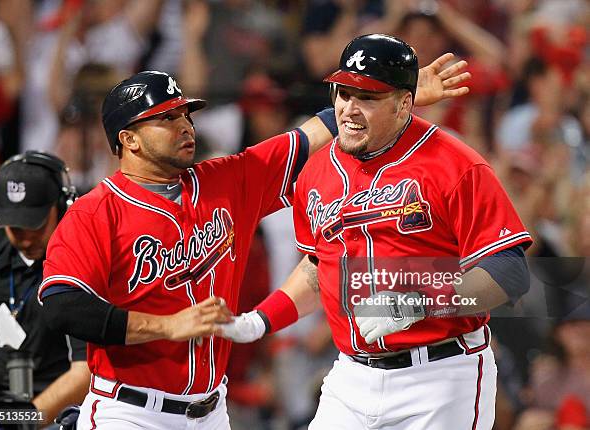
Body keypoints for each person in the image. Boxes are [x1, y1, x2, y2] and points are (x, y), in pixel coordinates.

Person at [38, 60, 471, 430]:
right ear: (128, 139)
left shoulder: (225, 181)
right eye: (166, 119)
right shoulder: (95, 213)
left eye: (185, 115)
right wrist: (166, 326)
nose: (185, 126)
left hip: (212, 410)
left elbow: (307, 138)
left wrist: (400, 97)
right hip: (131, 411)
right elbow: (63, 306)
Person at [220, 34, 533, 430]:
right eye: (343, 93)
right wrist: (261, 320)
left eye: (367, 98)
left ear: (406, 102)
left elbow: (509, 272)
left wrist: (420, 303)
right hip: (351, 376)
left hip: (439, 376)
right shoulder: (317, 171)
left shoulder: (455, 164)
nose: (349, 109)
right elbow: (319, 268)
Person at [0, 151, 90, 427]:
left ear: (60, 206)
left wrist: (22, 420)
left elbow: (87, 370)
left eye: (34, 224)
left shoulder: (82, 246)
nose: (26, 238)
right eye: (15, 227)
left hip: (64, 407)